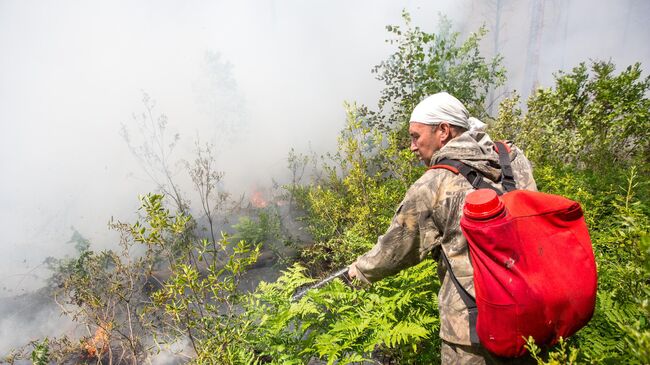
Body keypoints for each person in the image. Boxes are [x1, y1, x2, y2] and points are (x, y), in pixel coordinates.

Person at [347, 92, 538, 364]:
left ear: (444, 131)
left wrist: (359, 271)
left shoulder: (434, 183)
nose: (412, 146)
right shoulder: (511, 157)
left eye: (416, 136)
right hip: (531, 312)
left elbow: (396, 248)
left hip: (471, 332)